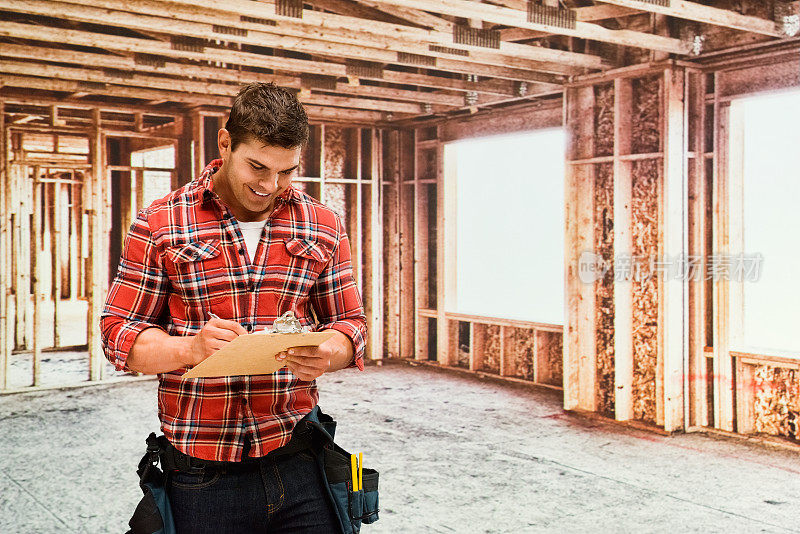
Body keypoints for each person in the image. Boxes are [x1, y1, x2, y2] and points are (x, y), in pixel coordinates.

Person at [101, 82, 367, 533]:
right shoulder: (161, 221)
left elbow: (350, 324)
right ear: (225, 143)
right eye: (257, 167)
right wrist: (190, 349)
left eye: (287, 172)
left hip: (300, 458)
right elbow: (118, 334)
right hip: (203, 476)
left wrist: (330, 353)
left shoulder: (321, 222)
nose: (270, 186)